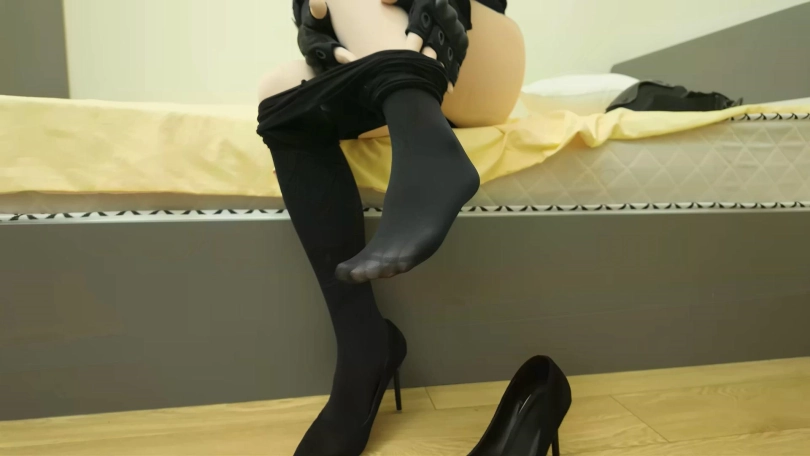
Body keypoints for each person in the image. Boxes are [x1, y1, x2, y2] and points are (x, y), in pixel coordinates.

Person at [256, 1, 524, 454]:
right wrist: (315, 29)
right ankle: (363, 344)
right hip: (383, 61)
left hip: (469, 50)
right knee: (278, 91)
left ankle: (430, 158)